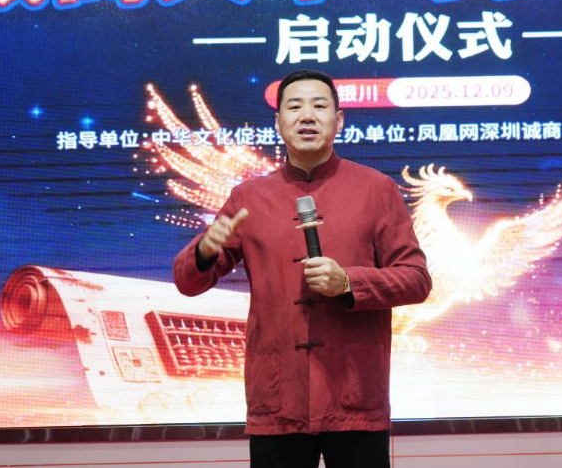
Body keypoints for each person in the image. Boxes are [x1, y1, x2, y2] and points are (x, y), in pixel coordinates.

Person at [173, 69, 432, 468]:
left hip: (355, 397)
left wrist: (348, 282)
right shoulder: (248, 197)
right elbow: (187, 283)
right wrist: (204, 251)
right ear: (278, 123)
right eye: (294, 107)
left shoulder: (376, 189)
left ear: (339, 120)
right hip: (279, 399)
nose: (307, 116)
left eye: (319, 106)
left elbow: (416, 279)